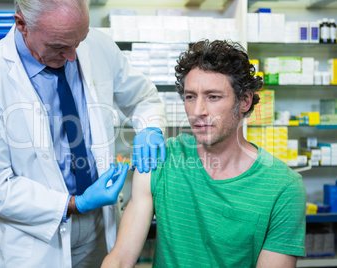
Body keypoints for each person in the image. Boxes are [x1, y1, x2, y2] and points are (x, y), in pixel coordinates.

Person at [0, 0, 166, 267]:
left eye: (78, 41)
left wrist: (149, 127)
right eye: (58, 46)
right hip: (37, 232)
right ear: (22, 24)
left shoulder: (97, 46)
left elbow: (143, 97)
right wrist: (72, 203)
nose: (72, 56)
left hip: (99, 224)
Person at [102, 40, 306, 268]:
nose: (198, 111)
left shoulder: (283, 187)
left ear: (245, 101)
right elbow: (120, 259)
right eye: (190, 97)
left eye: (213, 97)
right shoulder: (162, 159)